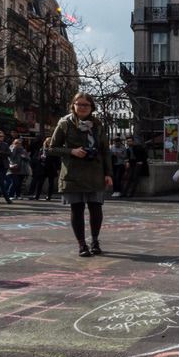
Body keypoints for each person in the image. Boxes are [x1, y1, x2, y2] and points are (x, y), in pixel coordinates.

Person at [49, 93, 112, 257]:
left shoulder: (97, 124)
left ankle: (95, 241)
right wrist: (72, 151)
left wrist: (108, 173)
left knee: (96, 208)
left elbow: (105, 151)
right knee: (77, 209)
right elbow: (51, 148)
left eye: (86, 105)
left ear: (91, 107)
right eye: (79, 104)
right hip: (73, 173)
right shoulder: (65, 123)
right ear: (73, 105)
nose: (82, 107)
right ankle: (82, 244)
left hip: (95, 172)